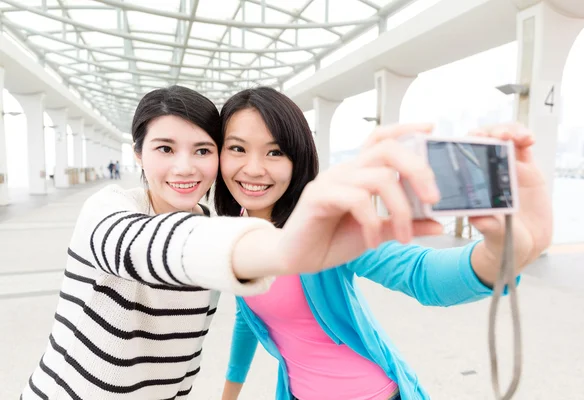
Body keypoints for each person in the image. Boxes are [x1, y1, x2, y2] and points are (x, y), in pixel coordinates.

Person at [21, 85, 441, 400]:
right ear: (137, 153)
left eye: (202, 150)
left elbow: (243, 308)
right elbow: (146, 246)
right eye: (165, 148)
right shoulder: (107, 211)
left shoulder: (216, 227)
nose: (184, 166)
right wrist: (285, 250)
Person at [215, 87, 552, 400]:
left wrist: (501, 255)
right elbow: (248, 316)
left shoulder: (324, 227)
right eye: (237, 148)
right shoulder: (237, 233)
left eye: (275, 151)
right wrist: (229, 394)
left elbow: (422, 275)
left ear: (297, 158)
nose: (254, 168)